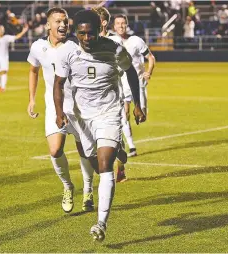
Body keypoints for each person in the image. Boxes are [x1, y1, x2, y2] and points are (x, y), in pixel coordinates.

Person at [53, 9, 146, 242]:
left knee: (105, 166)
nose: (86, 38)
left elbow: (131, 73)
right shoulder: (67, 52)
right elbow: (58, 83)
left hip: (108, 113)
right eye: (81, 34)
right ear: (76, 33)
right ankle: (118, 149)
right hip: (82, 118)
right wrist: (58, 114)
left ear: (99, 31)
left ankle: (101, 223)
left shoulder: (114, 49)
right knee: (94, 162)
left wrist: (136, 104)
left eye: (90, 34)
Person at [27, 7, 97, 213]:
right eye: (58, 21)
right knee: (55, 150)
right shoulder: (38, 47)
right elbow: (33, 70)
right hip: (54, 106)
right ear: (48, 25)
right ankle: (67, 186)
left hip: (78, 108)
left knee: (84, 149)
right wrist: (31, 99)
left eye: (65, 21)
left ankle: (88, 190)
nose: (63, 25)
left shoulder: (75, 47)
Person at [111, 14, 156, 158]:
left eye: (123, 23)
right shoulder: (111, 42)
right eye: (118, 23)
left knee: (141, 117)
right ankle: (131, 147)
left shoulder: (136, 41)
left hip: (137, 83)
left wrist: (148, 72)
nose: (120, 26)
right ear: (114, 26)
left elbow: (151, 58)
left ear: (127, 24)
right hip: (121, 84)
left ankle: (140, 110)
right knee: (124, 115)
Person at [92, 6, 129, 183]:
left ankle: (120, 163)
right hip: (91, 98)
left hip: (113, 96)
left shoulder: (115, 42)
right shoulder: (87, 40)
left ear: (104, 22)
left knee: (117, 146)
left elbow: (123, 68)